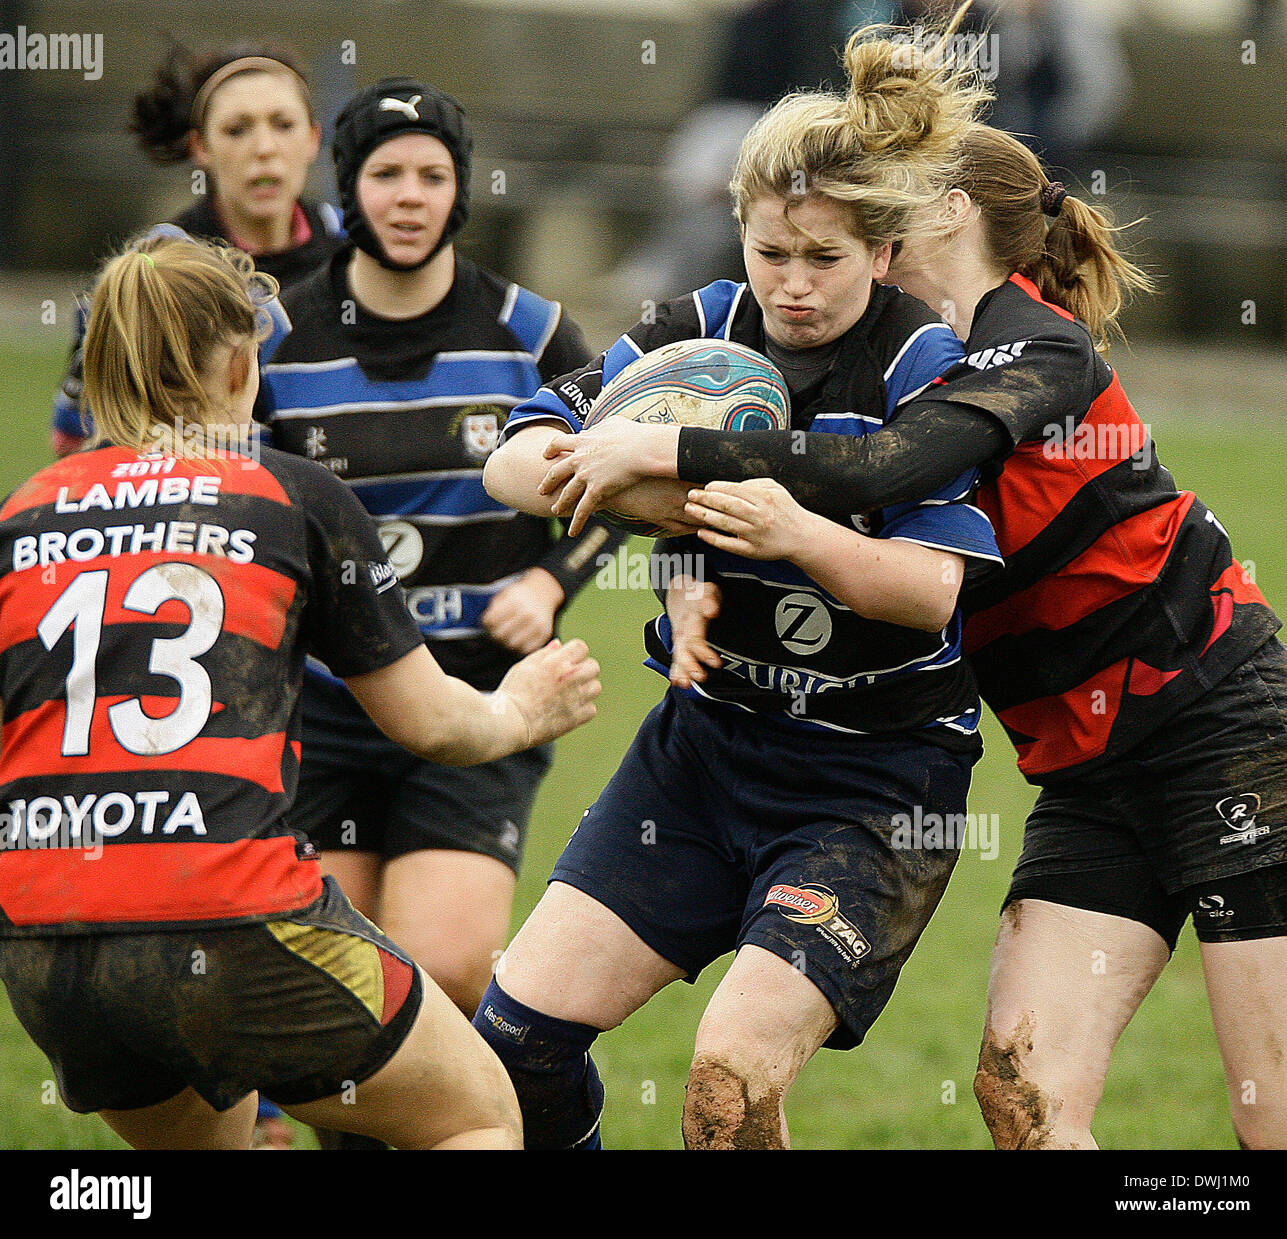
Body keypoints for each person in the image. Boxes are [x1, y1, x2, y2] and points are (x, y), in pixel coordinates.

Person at [540, 121, 1287, 1149]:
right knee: (1021, 1099)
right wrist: (680, 563)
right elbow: (792, 520)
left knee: (1275, 1121)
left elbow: (876, 474)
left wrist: (666, 445)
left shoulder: (1035, 344)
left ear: (946, 212)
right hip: (1083, 771)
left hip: (1221, 729)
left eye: (887, 206)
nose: (860, 232)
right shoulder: (885, 353)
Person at [476, 18, 1003, 1150]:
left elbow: (925, 594)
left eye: (824, 259)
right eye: (773, 253)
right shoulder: (694, 335)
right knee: (510, 1047)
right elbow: (514, 456)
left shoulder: (922, 367)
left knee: (725, 1084)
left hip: (870, 784)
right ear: (738, 231)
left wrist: (779, 528)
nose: (795, 285)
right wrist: (663, 513)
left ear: (878, 252)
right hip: (703, 752)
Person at [0, 232, 601, 1150]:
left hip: (50, 941)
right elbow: (433, 722)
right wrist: (526, 708)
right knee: (475, 1115)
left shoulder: (21, 514)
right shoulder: (290, 495)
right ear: (243, 361)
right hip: (231, 917)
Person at [258, 77, 624, 1078]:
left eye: (433, 174)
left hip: (481, 693)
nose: (410, 195)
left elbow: (614, 485)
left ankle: (467, 1112)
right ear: (350, 188)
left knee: (449, 964)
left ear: (460, 193)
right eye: (386, 174)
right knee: (330, 980)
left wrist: (550, 583)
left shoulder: (534, 334)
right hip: (329, 704)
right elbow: (245, 513)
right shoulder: (277, 341)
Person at [51, 41, 343, 457]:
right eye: (236, 129)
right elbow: (75, 437)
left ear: (314, 139)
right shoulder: (153, 266)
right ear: (201, 146)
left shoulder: (355, 249)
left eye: (283, 124)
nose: (264, 148)